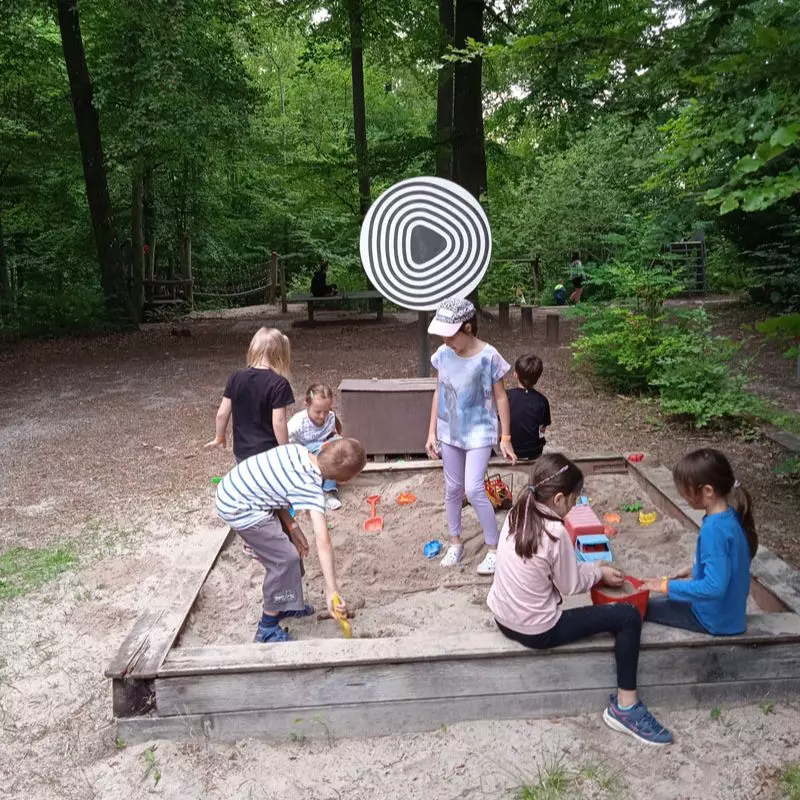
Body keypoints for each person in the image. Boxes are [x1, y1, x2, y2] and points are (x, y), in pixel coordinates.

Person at [488, 453, 673, 746]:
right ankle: (626, 707)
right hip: (537, 630)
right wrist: (598, 574)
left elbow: (542, 569)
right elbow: (571, 584)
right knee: (627, 617)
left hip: (503, 617)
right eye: (575, 500)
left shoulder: (518, 512)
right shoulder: (556, 531)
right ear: (560, 499)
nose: (575, 506)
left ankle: (626, 707)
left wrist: (596, 567)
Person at [215, 439, 367, 643]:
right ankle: (267, 627)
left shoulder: (296, 450)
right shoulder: (311, 489)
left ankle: (287, 604)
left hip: (236, 491)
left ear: (324, 447)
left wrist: (292, 527)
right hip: (239, 507)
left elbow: (272, 486)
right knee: (285, 559)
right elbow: (323, 541)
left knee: (291, 545)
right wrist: (332, 588)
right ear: (344, 481)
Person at [425, 297, 517, 575]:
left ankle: (493, 548)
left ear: (467, 328)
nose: (445, 338)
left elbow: (501, 397)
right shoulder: (443, 354)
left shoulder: (488, 356)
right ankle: (456, 543)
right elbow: (439, 391)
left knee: (473, 488)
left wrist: (505, 436)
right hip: (449, 431)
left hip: (479, 431)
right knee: (452, 489)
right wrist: (431, 431)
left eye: (450, 333)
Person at [641, 448, 757, 636]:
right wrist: (695, 569)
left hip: (711, 619)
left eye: (685, 489)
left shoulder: (714, 530)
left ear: (707, 490)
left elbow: (714, 587)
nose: (681, 495)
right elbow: (725, 563)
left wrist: (663, 586)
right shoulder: (731, 517)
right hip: (731, 615)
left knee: (639, 608)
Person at [205, 327, 294, 463]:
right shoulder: (279, 383)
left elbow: (222, 414)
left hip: (242, 452)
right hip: (268, 453)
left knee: (247, 483)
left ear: (253, 349)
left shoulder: (235, 377)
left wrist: (219, 436)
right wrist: (285, 449)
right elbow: (279, 422)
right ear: (280, 353)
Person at [288, 383, 344, 511]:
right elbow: (285, 443)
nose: (322, 416)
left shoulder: (330, 417)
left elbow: (333, 434)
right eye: (318, 411)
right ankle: (312, 491)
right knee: (326, 450)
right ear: (306, 405)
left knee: (337, 447)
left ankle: (328, 491)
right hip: (302, 452)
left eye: (326, 411)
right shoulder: (298, 423)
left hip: (323, 448)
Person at [508, 354, 551, 461]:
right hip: (534, 450)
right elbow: (542, 428)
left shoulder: (506, 397)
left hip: (511, 448)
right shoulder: (542, 400)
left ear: (515, 375)